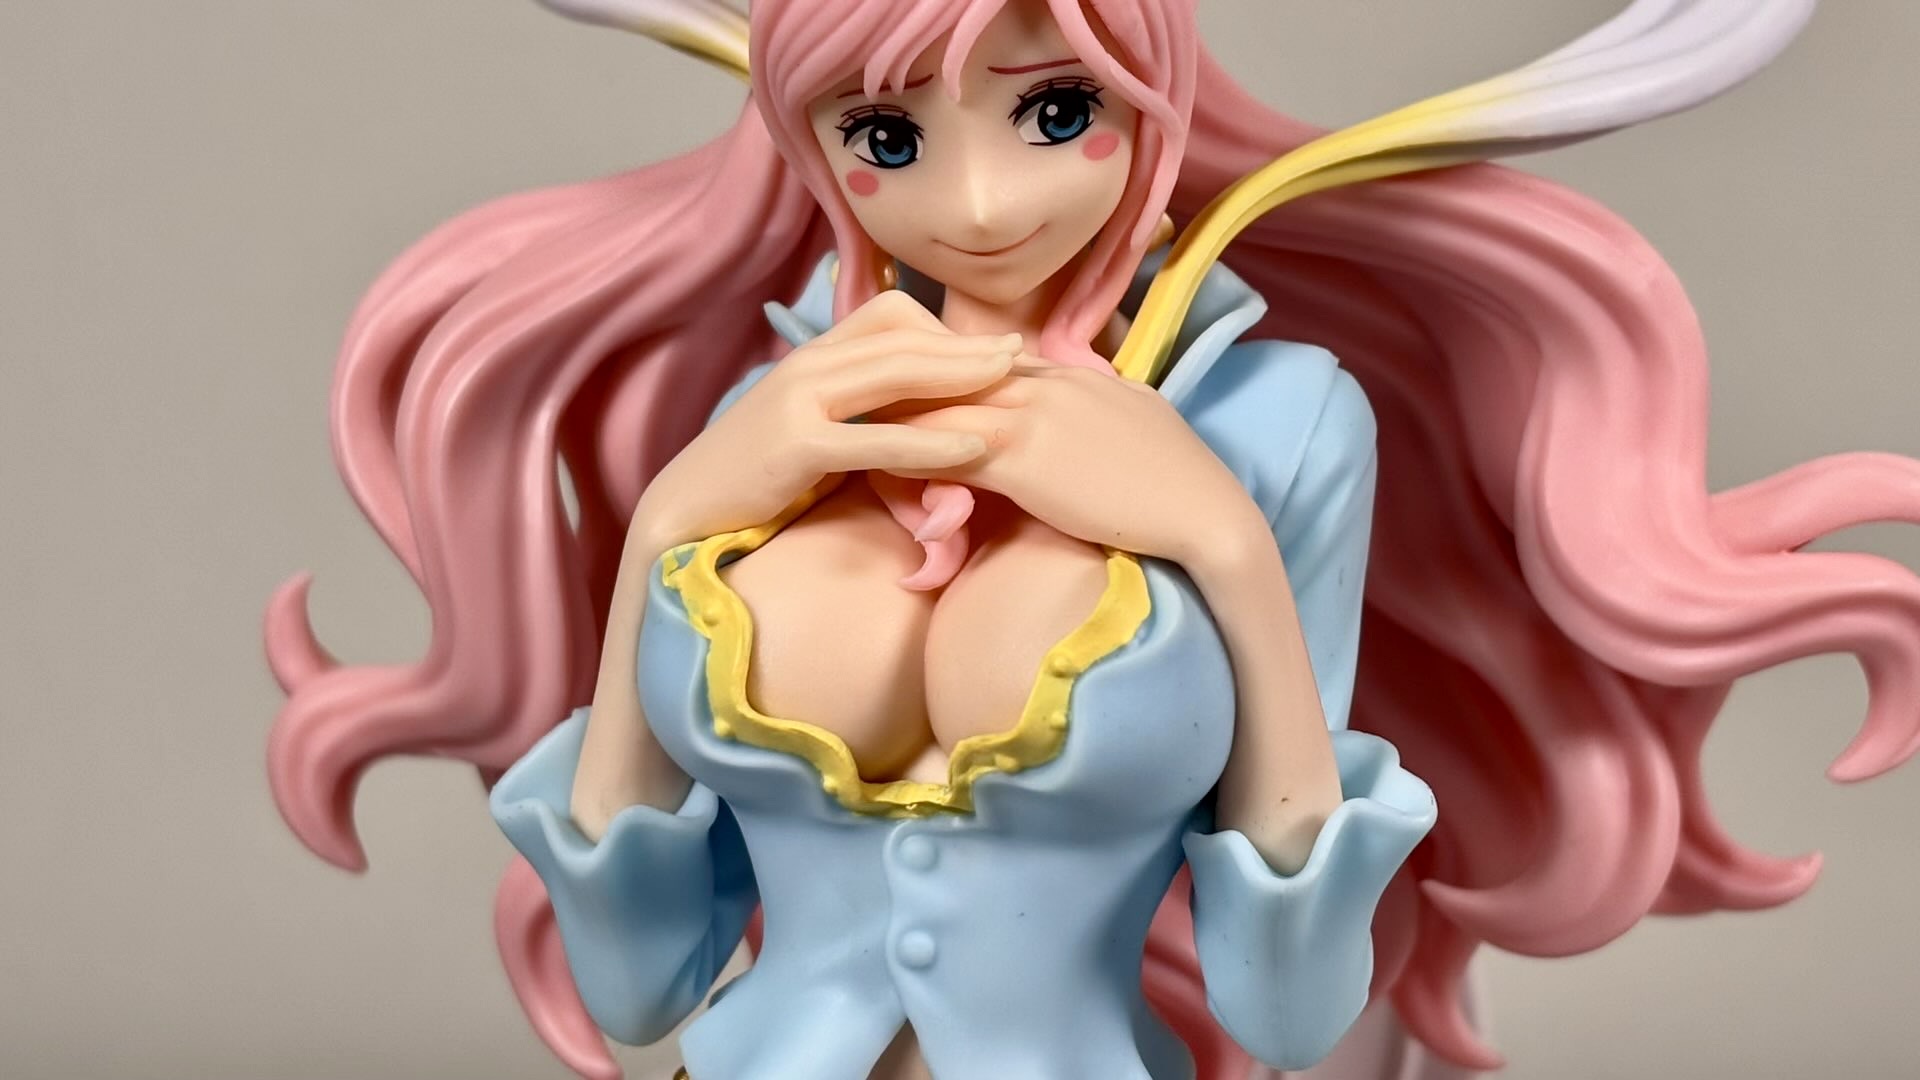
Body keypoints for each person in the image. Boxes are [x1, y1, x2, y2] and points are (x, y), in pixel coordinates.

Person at [264, 1, 1916, 1078]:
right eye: (889, 138)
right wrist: (667, 530)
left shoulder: (1276, 426)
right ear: (815, 146)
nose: (981, 205)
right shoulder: (779, 417)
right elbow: (636, 990)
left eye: (1056, 111)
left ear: (1150, 97)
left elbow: (1284, 1014)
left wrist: (1218, 540)